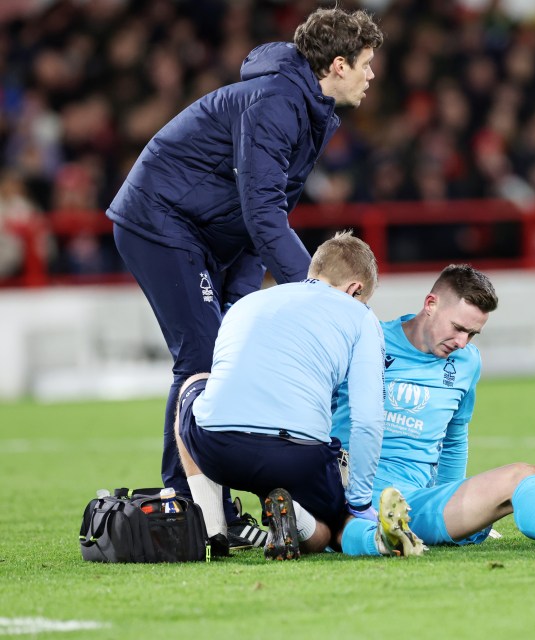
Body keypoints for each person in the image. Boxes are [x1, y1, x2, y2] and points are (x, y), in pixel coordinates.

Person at [105, 7, 384, 548]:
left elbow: (263, 216)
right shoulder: (278, 102)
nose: (373, 76)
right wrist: (315, 295)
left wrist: (246, 304)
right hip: (161, 221)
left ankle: (218, 501)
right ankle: (186, 502)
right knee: (202, 357)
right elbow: (263, 213)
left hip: (208, 233)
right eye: (368, 65)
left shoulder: (306, 107)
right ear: (340, 65)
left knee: (229, 349)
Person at [332, 265, 535, 551]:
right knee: (339, 523)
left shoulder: (467, 362)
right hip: (348, 492)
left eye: (472, 334)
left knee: (526, 475)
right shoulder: (368, 339)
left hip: (415, 504)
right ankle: (381, 538)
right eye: (458, 328)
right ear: (431, 304)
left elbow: (454, 438)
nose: (463, 342)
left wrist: (454, 508)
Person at [174, 231, 423, 560]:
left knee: (193, 385)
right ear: (355, 290)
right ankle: (298, 519)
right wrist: (359, 503)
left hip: (216, 446)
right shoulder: (361, 316)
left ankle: (213, 529)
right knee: (330, 529)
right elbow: (367, 420)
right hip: (295, 455)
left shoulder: (248, 302)